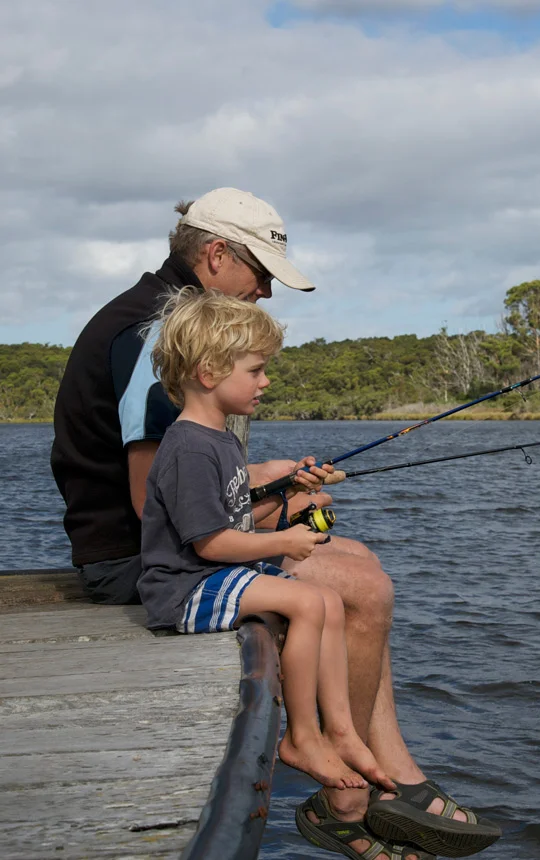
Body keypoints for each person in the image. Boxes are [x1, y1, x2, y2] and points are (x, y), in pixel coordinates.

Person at [50, 187, 501, 859]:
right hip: (137, 562)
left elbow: (187, 486)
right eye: (259, 272)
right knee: (362, 588)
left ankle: (378, 764)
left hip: (163, 542)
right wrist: (270, 515)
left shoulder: (179, 319)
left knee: (362, 563)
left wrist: (275, 485)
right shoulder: (156, 334)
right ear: (214, 256)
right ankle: (363, 788)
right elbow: (154, 510)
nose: (265, 290)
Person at [139, 288, 396, 794]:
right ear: (209, 374)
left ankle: (340, 730)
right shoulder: (190, 447)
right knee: (305, 601)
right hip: (185, 588)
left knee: (327, 600)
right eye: (255, 370)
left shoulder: (220, 438)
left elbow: (231, 514)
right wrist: (292, 542)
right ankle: (301, 737)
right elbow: (212, 542)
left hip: (217, 575)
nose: (266, 380)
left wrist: (292, 491)